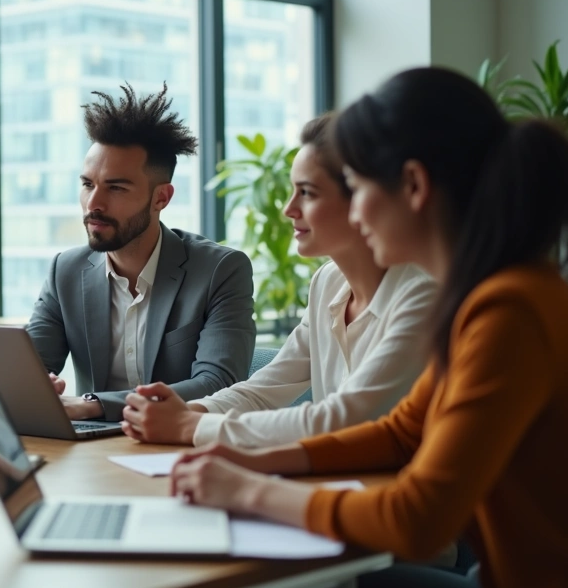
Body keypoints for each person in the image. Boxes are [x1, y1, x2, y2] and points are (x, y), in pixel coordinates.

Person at [169, 67, 568, 588]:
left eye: (359, 186)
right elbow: (400, 432)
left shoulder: (510, 310)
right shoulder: (484, 298)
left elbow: (419, 521)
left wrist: (250, 490)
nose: (356, 209)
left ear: (414, 186)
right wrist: (249, 457)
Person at [121, 112, 436, 448]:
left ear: (360, 198)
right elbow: (263, 391)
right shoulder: (327, 282)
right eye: (292, 191)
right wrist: (188, 410)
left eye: (308, 193)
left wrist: (190, 426)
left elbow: (341, 419)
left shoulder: (422, 294)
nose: (288, 209)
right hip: (338, 478)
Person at [27, 83, 256, 422]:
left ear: (161, 198)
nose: (94, 204)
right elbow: (28, 369)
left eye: (116, 188)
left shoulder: (219, 270)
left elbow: (217, 383)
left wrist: (95, 404)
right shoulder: (66, 270)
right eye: (88, 184)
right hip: (94, 452)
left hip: (181, 448)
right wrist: (28, 385)